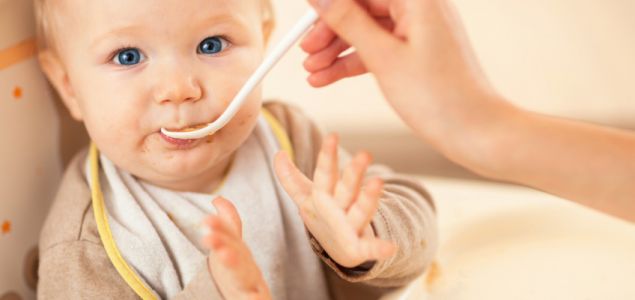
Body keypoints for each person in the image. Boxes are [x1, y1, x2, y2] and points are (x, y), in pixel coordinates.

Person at [34, 0, 438, 299]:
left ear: (263, 41)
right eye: (128, 56)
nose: (180, 89)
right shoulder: (83, 249)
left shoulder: (288, 138)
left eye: (212, 45)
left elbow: (419, 221)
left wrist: (364, 234)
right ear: (68, 85)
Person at [300, 0, 635, 223]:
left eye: (242, 43)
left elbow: (413, 211)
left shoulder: (291, 134)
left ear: (267, 33)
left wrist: (363, 235)